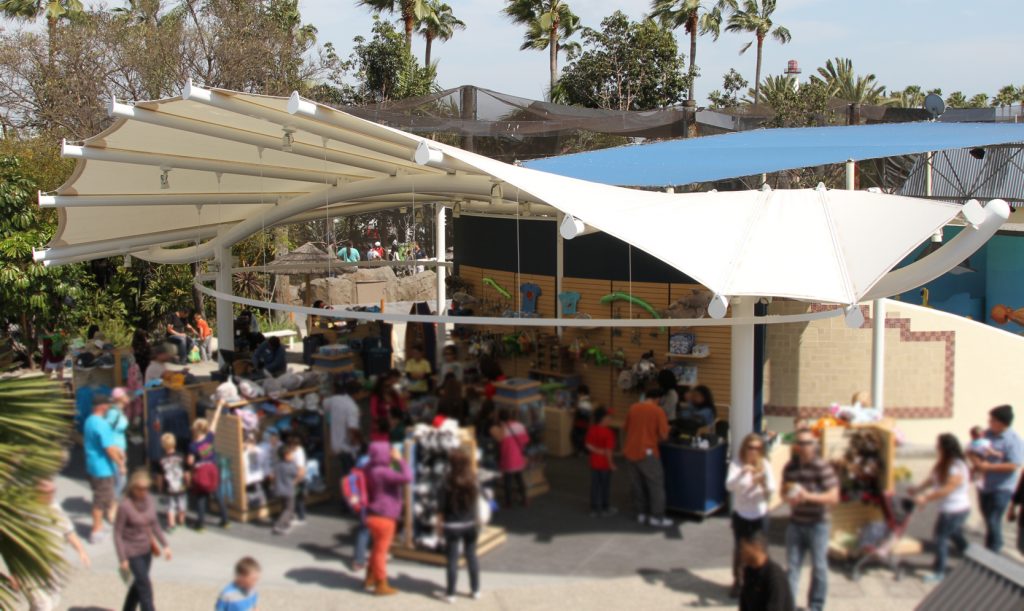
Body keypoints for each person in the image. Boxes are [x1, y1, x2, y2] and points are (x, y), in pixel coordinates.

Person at [782, 428, 839, 611]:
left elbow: (833, 497)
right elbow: (784, 492)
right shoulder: (790, 467)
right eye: (800, 443)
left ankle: (815, 605)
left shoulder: (822, 466)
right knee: (792, 568)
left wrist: (808, 496)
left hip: (818, 524)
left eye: (808, 443)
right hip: (796, 523)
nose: (804, 447)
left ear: (814, 445)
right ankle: (789, 605)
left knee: (820, 568)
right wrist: (789, 498)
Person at [909, 433, 971, 583]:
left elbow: (947, 489)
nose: (936, 446)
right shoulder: (943, 463)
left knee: (940, 539)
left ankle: (939, 571)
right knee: (955, 535)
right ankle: (971, 556)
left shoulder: (957, 466)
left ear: (945, 447)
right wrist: (918, 488)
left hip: (955, 510)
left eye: (938, 444)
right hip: (948, 509)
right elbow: (933, 479)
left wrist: (926, 498)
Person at [21, 479, 90, 611]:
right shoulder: (27, 511)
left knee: (50, 601)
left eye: (53, 491)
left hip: (53, 566)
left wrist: (81, 550)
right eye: (48, 492)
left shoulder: (54, 507)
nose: (51, 494)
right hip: (33, 568)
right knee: (43, 605)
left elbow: (68, 530)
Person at [968, 405, 1023, 553]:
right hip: (985, 485)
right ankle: (990, 545)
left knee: (994, 519)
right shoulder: (986, 435)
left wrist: (989, 468)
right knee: (987, 518)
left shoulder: (1013, 440)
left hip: (1002, 487)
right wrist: (976, 462)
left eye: (993, 420)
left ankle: (994, 548)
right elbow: (973, 450)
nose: (989, 422)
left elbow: (1013, 465)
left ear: (1002, 423)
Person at [726, 433, 776, 597]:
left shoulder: (765, 465)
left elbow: (772, 490)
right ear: (745, 448)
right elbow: (729, 485)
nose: (754, 451)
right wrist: (742, 473)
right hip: (741, 514)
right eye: (751, 447)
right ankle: (738, 582)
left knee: (759, 550)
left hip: (759, 514)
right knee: (741, 550)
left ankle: (758, 584)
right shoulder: (737, 464)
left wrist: (762, 482)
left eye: (757, 448)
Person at [114, 470, 171, 611]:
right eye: (140, 488)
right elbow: (117, 533)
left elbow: (155, 524)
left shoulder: (150, 501)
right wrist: (122, 558)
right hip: (131, 552)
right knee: (145, 586)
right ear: (133, 488)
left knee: (137, 585)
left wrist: (165, 545)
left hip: (146, 550)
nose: (143, 491)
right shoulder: (125, 506)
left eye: (146, 488)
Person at [364, 441, 412, 596]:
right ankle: (381, 583)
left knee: (376, 547)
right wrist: (400, 460)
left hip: (372, 513)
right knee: (381, 551)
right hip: (385, 515)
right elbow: (407, 477)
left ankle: (370, 577)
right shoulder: (383, 472)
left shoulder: (368, 468)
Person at [622, 387, 671, 528]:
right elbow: (664, 435)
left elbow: (627, 428)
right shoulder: (658, 411)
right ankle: (657, 517)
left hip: (630, 450)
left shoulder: (633, 408)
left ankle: (640, 513)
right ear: (658, 399)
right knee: (655, 485)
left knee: (636, 484)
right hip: (648, 453)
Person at [438, 448, 481, 602]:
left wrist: (439, 523)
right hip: (470, 523)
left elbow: (441, 506)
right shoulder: (473, 478)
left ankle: (451, 593)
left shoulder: (446, 480)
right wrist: (477, 518)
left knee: (452, 559)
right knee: (472, 556)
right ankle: (475, 589)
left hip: (452, 524)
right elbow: (476, 501)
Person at [83, 394, 126, 544]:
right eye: (107, 405)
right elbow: (108, 448)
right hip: (103, 469)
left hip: (92, 466)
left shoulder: (89, 421)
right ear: (102, 407)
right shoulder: (102, 424)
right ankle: (96, 531)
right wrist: (120, 464)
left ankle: (100, 525)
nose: (108, 408)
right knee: (100, 501)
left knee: (101, 497)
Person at [188, 401, 229, 530]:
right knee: (217, 495)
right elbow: (215, 421)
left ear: (194, 430)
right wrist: (220, 406)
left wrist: (191, 465)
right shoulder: (209, 438)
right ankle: (225, 520)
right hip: (212, 469)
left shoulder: (193, 445)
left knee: (201, 498)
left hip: (201, 471)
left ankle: (200, 524)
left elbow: (190, 461)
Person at [739, 533, 794, 611]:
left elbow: (775, 607)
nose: (742, 554)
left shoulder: (775, 576)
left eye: (746, 550)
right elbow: (744, 603)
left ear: (758, 548)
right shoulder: (749, 571)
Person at [327, 379, 363, 490]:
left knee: (345, 473)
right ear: (356, 393)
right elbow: (352, 428)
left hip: (338, 445)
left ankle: (346, 499)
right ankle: (349, 500)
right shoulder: (352, 407)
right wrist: (359, 441)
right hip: (347, 447)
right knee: (349, 475)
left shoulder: (335, 401)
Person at [491, 408, 530, 508]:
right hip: (518, 456)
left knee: (507, 481)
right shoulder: (519, 425)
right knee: (519, 478)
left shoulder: (501, 429)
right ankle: (524, 499)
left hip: (507, 457)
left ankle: (508, 502)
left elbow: (499, 439)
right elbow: (526, 440)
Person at [585, 406, 617, 517]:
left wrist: (597, 451)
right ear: (603, 419)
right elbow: (608, 451)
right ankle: (605, 507)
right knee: (605, 486)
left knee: (594, 486)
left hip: (594, 463)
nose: (611, 419)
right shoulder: (609, 433)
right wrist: (611, 464)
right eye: (609, 417)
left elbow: (588, 445)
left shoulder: (592, 429)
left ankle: (594, 509)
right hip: (604, 465)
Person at [158, 432, 187, 531]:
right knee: (182, 503)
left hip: (169, 486)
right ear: (174, 443)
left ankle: (172, 523)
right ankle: (181, 520)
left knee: (170, 505)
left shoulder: (161, 459)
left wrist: (160, 486)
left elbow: (161, 476)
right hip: (180, 484)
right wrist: (188, 481)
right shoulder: (181, 456)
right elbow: (185, 471)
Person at [272, 444, 304, 535]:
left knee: (283, 508)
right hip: (288, 490)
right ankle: (279, 525)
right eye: (291, 454)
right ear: (286, 456)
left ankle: (286, 525)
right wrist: (300, 472)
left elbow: (273, 476)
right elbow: (297, 474)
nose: (293, 456)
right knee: (289, 509)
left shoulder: (277, 464)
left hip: (279, 490)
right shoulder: (290, 466)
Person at [108, 387, 132, 499]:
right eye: (125, 395)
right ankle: (112, 505)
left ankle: (112, 504)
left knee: (120, 480)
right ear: (120, 398)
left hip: (121, 448)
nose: (128, 397)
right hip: (115, 449)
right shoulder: (113, 413)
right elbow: (106, 431)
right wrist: (115, 450)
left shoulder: (120, 411)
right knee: (120, 479)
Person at [286, 435, 309, 525]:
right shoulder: (298, 450)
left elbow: (301, 469)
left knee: (298, 499)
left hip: (300, 479)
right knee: (297, 499)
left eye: (292, 445)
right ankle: (299, 516)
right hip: (299, 478)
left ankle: (301, 518)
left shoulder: (298, 452)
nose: (291, 447)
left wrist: (295, 481)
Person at [572, 385, 593, 457]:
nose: (578, 394)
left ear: (582, 393)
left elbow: (582, 412)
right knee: (583, 436)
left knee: (577, 437)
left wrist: (576, 409)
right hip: (585, 422)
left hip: (580, 422)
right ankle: (584, 450)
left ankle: (580, 451)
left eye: (579, 393)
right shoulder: (587, 400)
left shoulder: (583, 401)